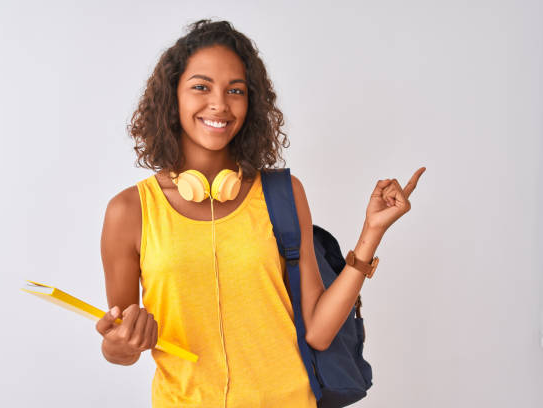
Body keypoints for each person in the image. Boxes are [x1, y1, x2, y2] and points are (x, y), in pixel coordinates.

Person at [95, 19, 425, 408]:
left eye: (235, 90)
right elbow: (121, 347)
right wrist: (119, 344)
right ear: (173, 97)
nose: (219, 103)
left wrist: (371, 232)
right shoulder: (129, 211)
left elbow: (318, 332)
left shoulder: (283, 194)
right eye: (201, 86)